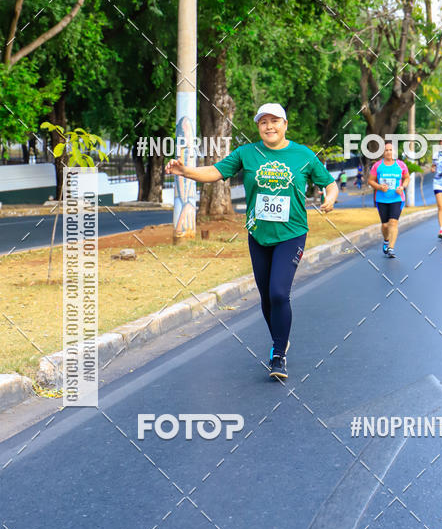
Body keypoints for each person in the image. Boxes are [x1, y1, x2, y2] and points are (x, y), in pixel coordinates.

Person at [165, 103, 338, 380]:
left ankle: (278, 354)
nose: (269, 127)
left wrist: (330, 197)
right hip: (258, 234)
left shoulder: (303, 155)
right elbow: (216, 171)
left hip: (291, 233)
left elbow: (329, 182)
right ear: (258, 127)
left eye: (275, 121)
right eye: (263, 122)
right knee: (267, 297)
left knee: (279, 292)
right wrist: (186, 171)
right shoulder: (247, 153)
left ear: (285, 124)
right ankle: (280, 338)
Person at [368, 139, 410, 258]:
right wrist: (379, 187)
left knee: (393, 223)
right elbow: (370, 180)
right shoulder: (378, 166)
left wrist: (402, 187)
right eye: (386, 150)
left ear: (394, 151)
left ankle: (391, 248)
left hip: (397, 199)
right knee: (385, 225)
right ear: (383, 152)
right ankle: (386, 240)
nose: (389, 152)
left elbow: (407, 178)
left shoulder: (401, 165)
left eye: (391, 150)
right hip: (382, 199)